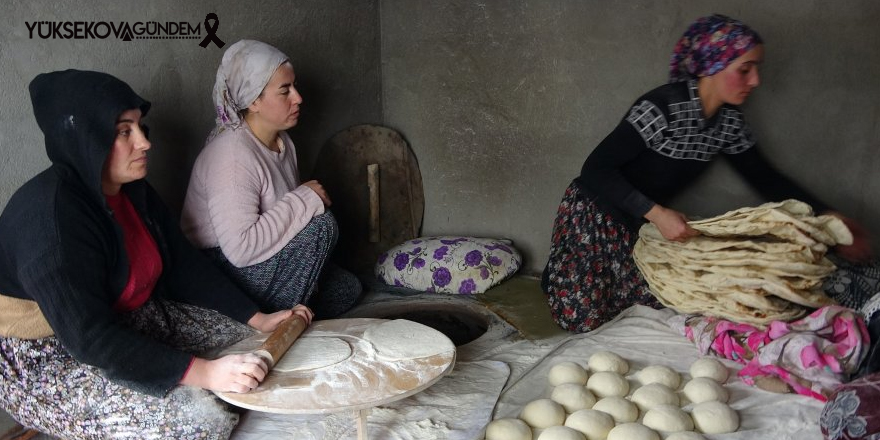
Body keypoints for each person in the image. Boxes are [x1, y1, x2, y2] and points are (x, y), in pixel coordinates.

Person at [0, 69, 313, 439]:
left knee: (253, 350)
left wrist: (257, 318)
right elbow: (90, 338)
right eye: (123, 131)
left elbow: (181, 262)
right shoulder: (50, 219)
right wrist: (204, 372)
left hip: (127, 319)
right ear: (86, 139)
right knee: (200, 421)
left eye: (140, 127)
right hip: (44, 356)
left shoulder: (132, 190)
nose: (144, 143)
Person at [541, 14, 874, 334]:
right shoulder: (661, 108)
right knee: (580, 317)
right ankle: (560, 271)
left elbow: (766, 178)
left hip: (639, 227)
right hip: (594, 214)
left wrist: (828, 217)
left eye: (756, 69)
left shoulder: (729, 123)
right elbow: (596, 169)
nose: (756, 80)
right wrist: (657, 214)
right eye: (745, 69)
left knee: (658, 303)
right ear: (713, 68)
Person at [181, 39, 362, 318]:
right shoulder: (231, 156)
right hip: (223, 270)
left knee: (347, 289)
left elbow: (283, 217)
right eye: (285, 90)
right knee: (323, 227)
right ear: (254, 100)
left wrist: (302, 200)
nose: (298, 98)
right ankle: (260, 319)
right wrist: (305, 199)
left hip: (260, 260)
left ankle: (289, 305)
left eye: (295, 86)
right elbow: (240, 249)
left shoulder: (283, 142)